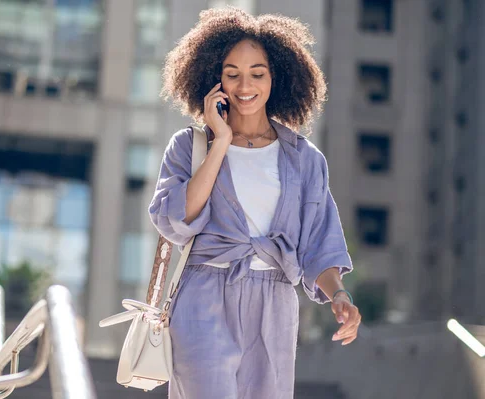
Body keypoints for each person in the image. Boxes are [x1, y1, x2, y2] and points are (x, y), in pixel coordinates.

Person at [148, 7, 361, 399]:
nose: (244, 85)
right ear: (215, 80)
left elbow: (319, 245)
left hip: (275, 302)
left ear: (275, 76)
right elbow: (177, 220)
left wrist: (340, 296)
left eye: (257, 73)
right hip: (205, 296)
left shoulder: (305, 159)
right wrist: (221, 141)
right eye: (232, 74)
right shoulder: (189, 147)